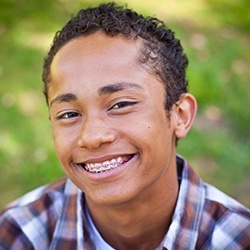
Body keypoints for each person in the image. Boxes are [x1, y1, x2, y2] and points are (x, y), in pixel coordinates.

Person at [0, 2, 249, 249]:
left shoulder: (238, 240)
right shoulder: (15, 234)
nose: (92, 137)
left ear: (180, 115)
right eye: (69, 114)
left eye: (120, 105)